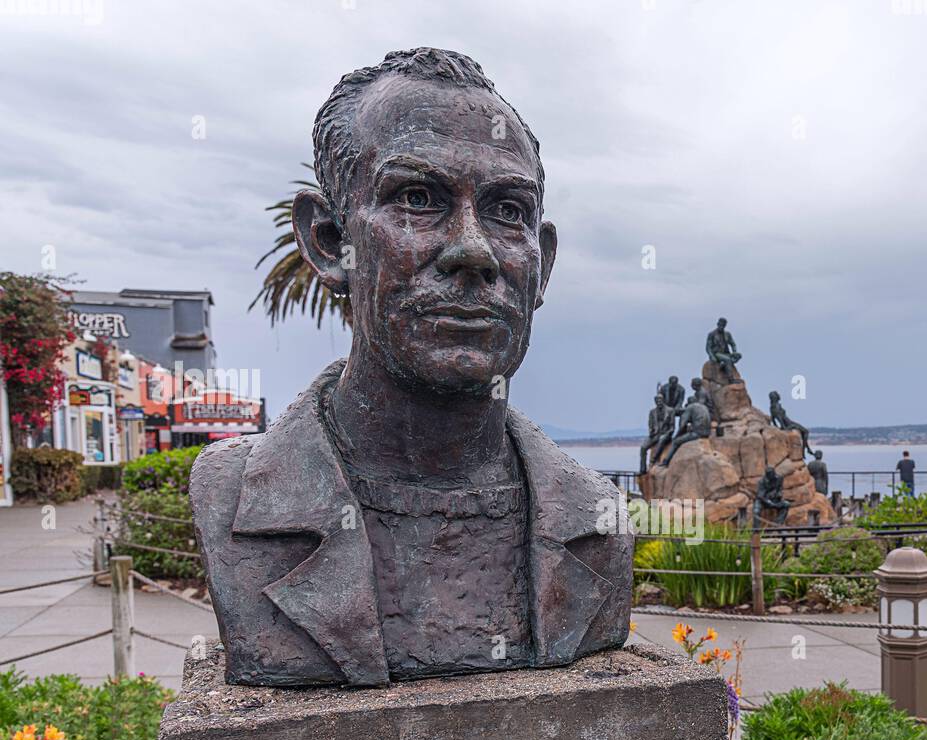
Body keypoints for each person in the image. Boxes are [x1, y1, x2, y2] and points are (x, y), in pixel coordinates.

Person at [189, 48, 632, 687]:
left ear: (544, 264)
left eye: (509, 211)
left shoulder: (597, 516)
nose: (474, 252)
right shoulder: (233, 497)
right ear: (328, 241)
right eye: (418, 198)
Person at [640, 393, 675, 474]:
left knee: (661, 440)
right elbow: (650, 425)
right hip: (655, 434)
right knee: (643, 447)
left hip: (666, 434)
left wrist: (668, 433)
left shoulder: (670, 411)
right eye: (657, 401)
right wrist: (651, 432)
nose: (659, 402)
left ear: (663, 400)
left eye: (660, 400)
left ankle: (653, 461)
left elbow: (672, 427)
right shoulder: (652, 412)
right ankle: (643, 469)